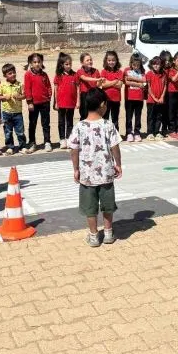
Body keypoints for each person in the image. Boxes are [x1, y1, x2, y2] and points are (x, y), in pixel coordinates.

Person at [68, 88, 123, 248]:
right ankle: (108, 233)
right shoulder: (108, 125)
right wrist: (118, 164)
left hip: (87, 175)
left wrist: (76, 169)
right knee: (107, 204)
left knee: (90, 207)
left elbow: (73, 149)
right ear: (102, 104)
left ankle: (93, 236)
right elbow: (115, 147)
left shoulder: (79, 126)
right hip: (106, 173)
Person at [24, 53, 53, 153]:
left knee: (46, 124)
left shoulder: (44, 75)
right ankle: (32, 143)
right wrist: (29, 102)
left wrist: (49, 97)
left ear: (42, 63)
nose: (37, 64)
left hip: (45, 103)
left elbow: (48, 86)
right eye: (35, 62)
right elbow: (27, 89)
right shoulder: (28, 75)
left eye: (39, 62)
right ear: (31, 63)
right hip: (33, 104)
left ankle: (47, 142)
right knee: (32, 124)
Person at [0, 63, 28, 155]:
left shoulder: (19, 84)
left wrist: (19, 96)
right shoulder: (2, 85)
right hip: (6, 112)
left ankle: (22, 146)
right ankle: (10, 147)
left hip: (17, 113)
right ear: (5, 75)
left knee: (20, 131)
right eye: (10, 73)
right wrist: (4, 97)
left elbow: (24, 95)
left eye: (14, 72)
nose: (13, 75)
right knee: (8, 131)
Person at [54, 52, 78, 149]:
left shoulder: (75, 75)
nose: (68, 66)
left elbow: (78, 89)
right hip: (61, 103)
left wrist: (78, 101)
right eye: (66, 64)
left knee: (70, 122)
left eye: (70, 64)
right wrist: (56, 102)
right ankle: (62, 139)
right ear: (62, 65)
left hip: (71, 103)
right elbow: (55, 89)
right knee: (61, 122)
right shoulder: (58, 75)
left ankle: (69, 139)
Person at [123, 53, 146, 142]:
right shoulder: (127, 70)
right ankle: (129, 132)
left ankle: (137, 132)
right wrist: (138, 84)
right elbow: (126, 81)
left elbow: (144, 81)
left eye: (138, 65)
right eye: (134, 65)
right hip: (129, 97)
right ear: (131, 63)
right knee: (129, 116)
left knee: (138, 116)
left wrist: (132, 78)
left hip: (139, 97)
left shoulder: (142, 71)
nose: (136, 67)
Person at [100, 51, 124, 131]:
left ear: (116, 61)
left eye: (113, 60)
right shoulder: (103, 71)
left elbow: (119, 85)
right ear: (106, 61)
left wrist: (108, 82)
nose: (111, 62)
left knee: (115, 118)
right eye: (109, 60)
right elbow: (103, 85)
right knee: (105, 117)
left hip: (116, 99)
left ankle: (115, 134)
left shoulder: (119, 72)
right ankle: (105, 134)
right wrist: (115, 81)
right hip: (106, 99)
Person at [145, 56, 167, 140]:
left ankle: (157, 132)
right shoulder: (149, 74)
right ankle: (150, 132)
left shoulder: (164, 74)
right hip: (151, 100)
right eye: (154, 64)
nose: (156, 65)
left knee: (159, 116)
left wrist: (162, 97)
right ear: (151, 64)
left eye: (158, 64)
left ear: (161, 65)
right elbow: (149, 87)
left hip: (160, 100)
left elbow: (165, 86)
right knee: (151, 116)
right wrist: (154, 98)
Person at [76, 53, 102, 121]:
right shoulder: (80, 71)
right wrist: (97, 79)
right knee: (84, 115)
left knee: (94, 114)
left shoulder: (96, 71)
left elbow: (98, 85)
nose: (90, 61)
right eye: (87, 60)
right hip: (84, 95)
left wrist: (100, 81)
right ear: (82, 63)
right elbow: (84, 78)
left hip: (94, 95)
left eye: (90, 60)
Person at [166, 52, 178, 139]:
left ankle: (177, 129)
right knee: (172, 112)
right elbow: (174, 79)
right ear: (174, 61)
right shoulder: (171, 70)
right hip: (172, 93)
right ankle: (171, 130)